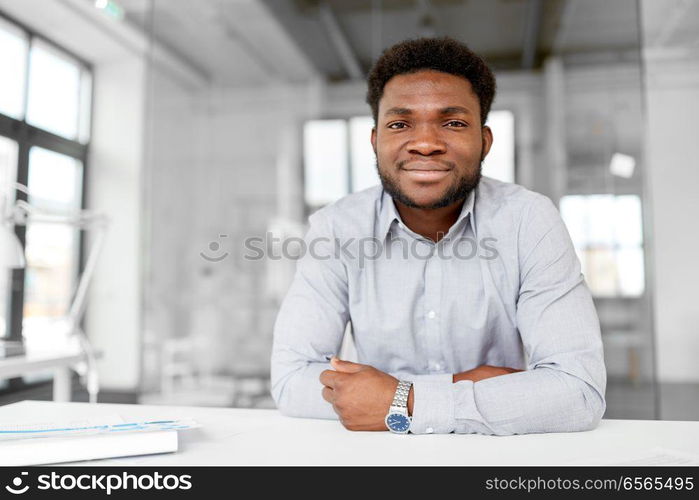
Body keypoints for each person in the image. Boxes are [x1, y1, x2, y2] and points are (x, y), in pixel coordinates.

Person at [270, 37, 606, 435]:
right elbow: (292, 381)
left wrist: (400, 401)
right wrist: (466, 388)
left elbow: (578, 392)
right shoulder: (337, 227)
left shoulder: (529, 220)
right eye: (400, 124)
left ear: (484, 141)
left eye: (453, 123)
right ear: (376, 141)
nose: (426, 144)